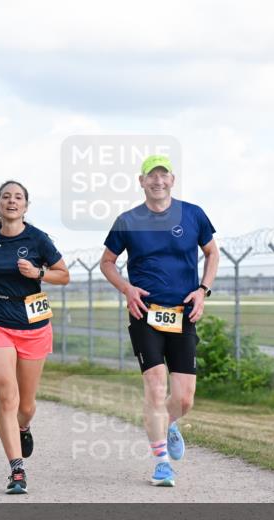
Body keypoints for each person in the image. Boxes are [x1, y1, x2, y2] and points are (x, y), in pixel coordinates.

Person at [100, 155, 219, 488]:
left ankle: (166, 423)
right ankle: (162, 463)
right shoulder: (128, 220)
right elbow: (107, 262)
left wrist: (202, 290)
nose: (158, 181)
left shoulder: (193, 214)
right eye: (151, 176)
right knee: (155, 385)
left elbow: (212, 252)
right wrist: (126, 289)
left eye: (163, 175)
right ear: (141, 182)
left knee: (184, 398)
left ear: (172, 179)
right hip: (145, 312)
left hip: (183, 312)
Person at [0, 180, 69, 494]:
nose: (12, 201)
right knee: (6, 398)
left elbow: (63, 275)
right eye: (6, 197)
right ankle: (17, 470)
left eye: (18, 197)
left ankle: (24, 426)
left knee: (25, 405)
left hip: (33, 326)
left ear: (26, 206)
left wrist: (38, 274)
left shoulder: (38, 240)